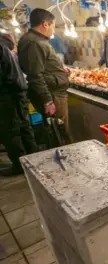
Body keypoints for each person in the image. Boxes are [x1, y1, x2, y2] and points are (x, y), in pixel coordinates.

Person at [18, 9, 71, 140]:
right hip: (53, 95)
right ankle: (64, 157)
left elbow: (40, 65)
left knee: (56, 131)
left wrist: (59, 68)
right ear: (45, 24)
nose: (53, 29)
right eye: (53, 25)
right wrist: (47, 101)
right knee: (59, 133)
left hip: (53, 91)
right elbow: (35, 75)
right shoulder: (35, 43)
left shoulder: (34, 39)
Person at [0, 33, 38, 176]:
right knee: (24, 126)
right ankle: (32, 159)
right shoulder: (5, 45)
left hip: (8, 95)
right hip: (18, 92)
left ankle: (20, 165)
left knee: (11, 131)